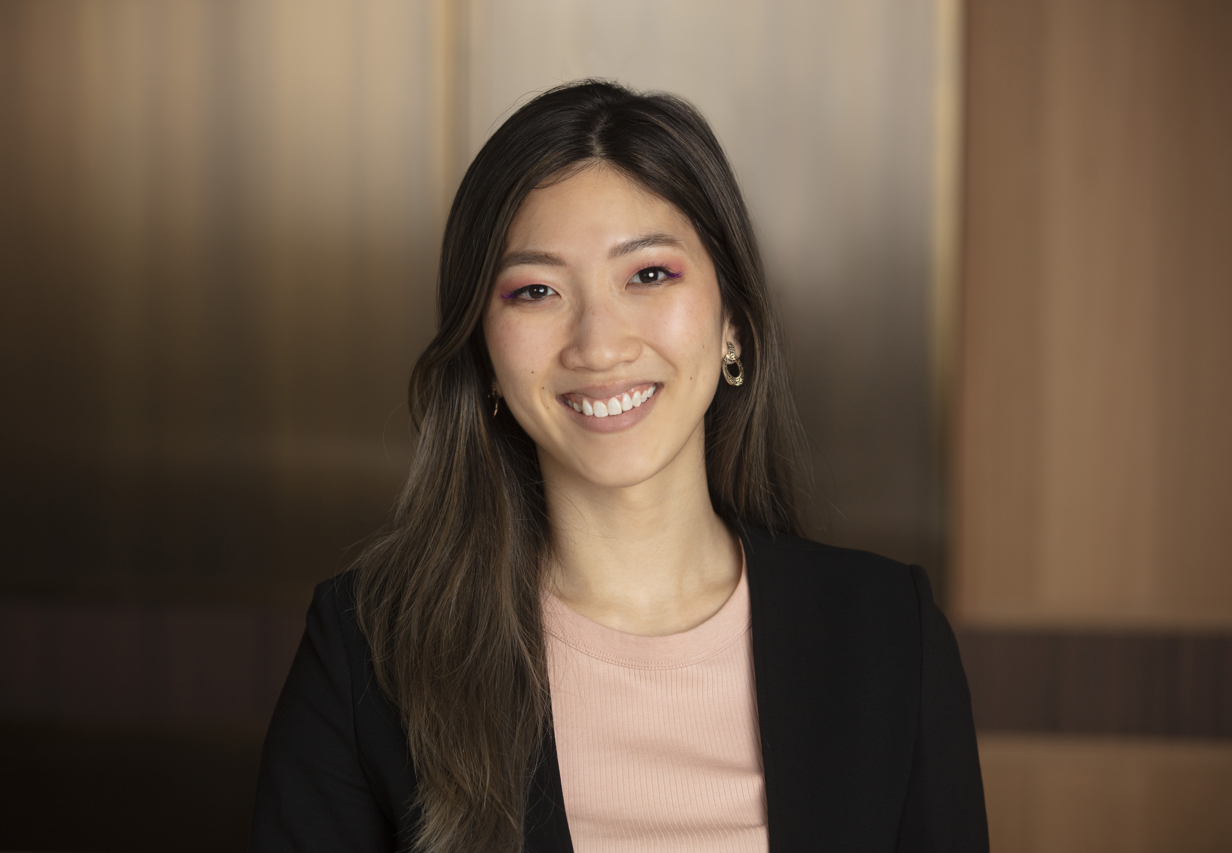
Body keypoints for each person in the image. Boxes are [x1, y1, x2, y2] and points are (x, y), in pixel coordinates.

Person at [250, 80, 988, 853]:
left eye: (649, 275)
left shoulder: (888, 635)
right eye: (536, 290)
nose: (598, 345)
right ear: (485, 353)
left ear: (733, 320)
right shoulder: (370, 652)